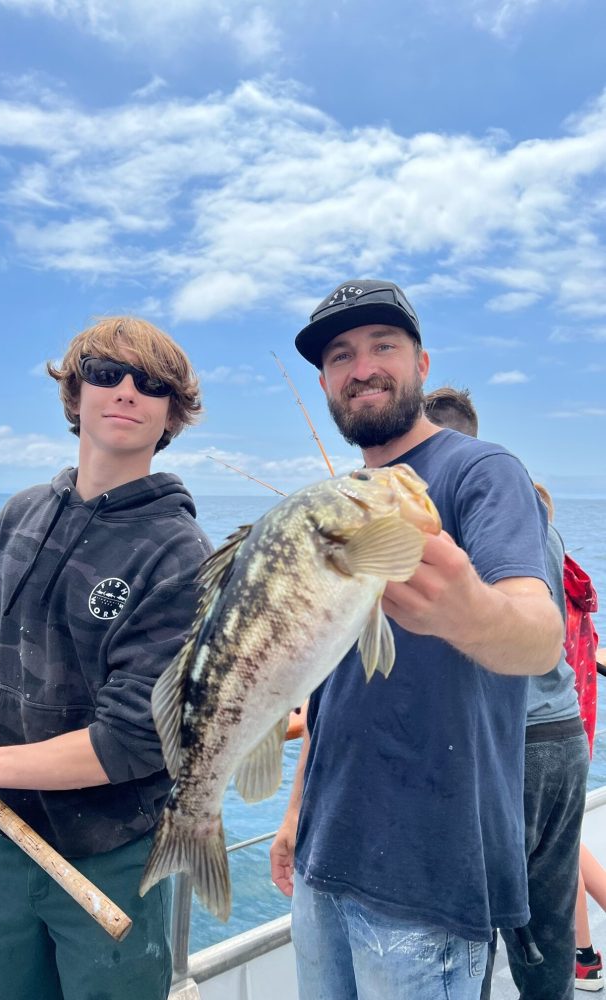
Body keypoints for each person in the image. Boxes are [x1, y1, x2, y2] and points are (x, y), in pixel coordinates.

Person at [0, 316, 213, 1000]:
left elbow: (132, 739)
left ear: (171, 412)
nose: (126, 391)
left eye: (150, 384)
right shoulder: (21, 514)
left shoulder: (179, 553)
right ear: (75, 392)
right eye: (106, 373)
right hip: (6, 834)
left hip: (115, 851)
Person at [269, 280, 564, 1000]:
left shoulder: (480, 470)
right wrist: (294, 814)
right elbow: (333, 684)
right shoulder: (342, 502)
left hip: (427, 884)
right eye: (341, 356)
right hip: (322, 862)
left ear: (422, 365)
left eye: (383, 347)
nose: (362, 367)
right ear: (325, 382)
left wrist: (466, 609)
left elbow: (540, 638)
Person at [426, 387, 591, 999]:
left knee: (477, 928)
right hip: (564, 735)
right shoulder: (535, 516)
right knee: (547, 921)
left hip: (505, 747)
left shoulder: (456, 510)